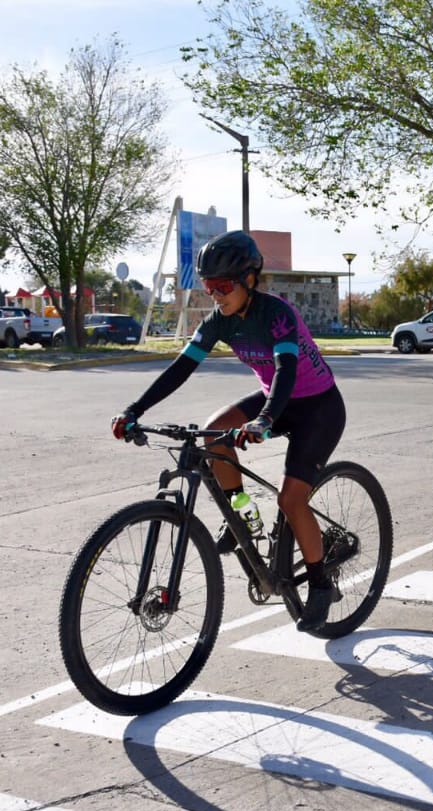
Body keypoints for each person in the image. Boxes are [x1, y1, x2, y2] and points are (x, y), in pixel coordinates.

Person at [109, 230, 346, 633]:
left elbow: (287, 371)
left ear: (250, 279)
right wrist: (135, 409)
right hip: (275, 399)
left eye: (222, 286)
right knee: (212, 432)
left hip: (317, 408)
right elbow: (181, 369)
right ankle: (244, 518)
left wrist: (265, 420)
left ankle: (321, 585)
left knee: (292, 498)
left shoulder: (277, 314)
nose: (215, 295)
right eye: (208, 287)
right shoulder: (219, 321)